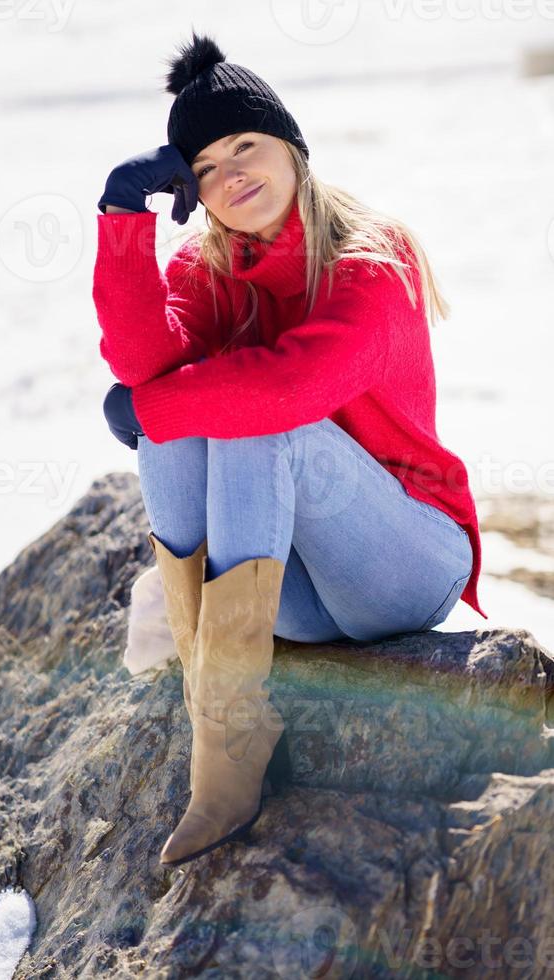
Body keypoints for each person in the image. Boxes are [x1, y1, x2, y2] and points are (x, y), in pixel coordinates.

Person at [92, 30, 488, 868]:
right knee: (178, 429)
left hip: (408, 565)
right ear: (191, 191)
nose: (233, 173)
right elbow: (142, 363)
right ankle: (225, 712)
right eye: (205, 167)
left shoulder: (374, 261)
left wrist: (150, 404)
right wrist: (122, 220)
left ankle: (224, 774)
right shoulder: (209, 272)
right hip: (298, 602)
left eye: (247, 145)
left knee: (247, 415)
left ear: (293, 151)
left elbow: (290, 389)